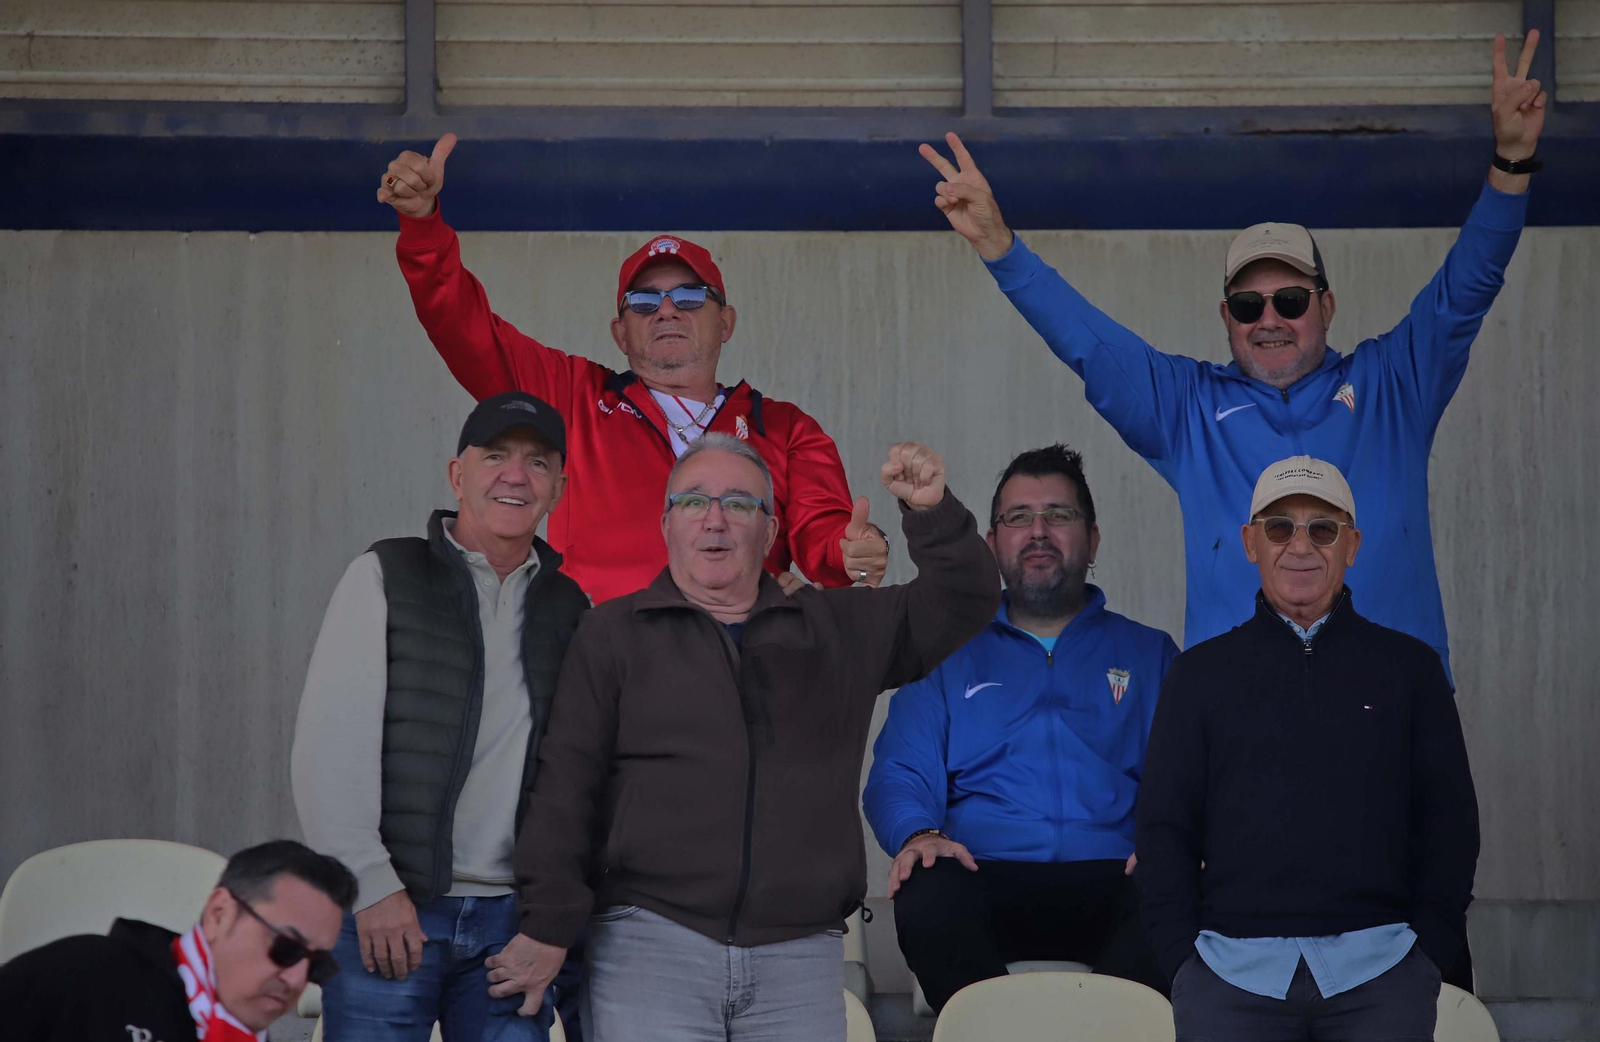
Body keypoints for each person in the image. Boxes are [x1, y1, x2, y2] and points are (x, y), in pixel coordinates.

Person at [920, 32, 1548, 692]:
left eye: (1291, 300)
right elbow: (1089, 343)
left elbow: (1468, 286)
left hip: (1392, 710)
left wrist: (1511, 161)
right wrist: (1000, 247)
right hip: (1241, 718)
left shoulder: (1395, 383)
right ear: (1226, 319)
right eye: (1248, 305)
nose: (1269, 320)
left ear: (1327, 306)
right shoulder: (1188, 408)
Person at [475, 434, 999, 1041]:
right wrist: (548, 924)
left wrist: (931, 513)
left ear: (770, 531)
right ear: (667, 524)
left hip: (798, 957)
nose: (715, 520)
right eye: (694, 501)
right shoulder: (611, 635)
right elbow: (565, 788)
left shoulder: (836, 628)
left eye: (740, 504)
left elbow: (966, 600)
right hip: (649, 947)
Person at [375, 136, 888, 603]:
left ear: (726, 322)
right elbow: (466, 330)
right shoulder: (573, 396)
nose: (666, 311)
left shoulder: (785, 428)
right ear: (620, 334)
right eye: (644, 302)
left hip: (737, 661)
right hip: (603, 659)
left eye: (689, 297)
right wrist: (423, 227)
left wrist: (854, 553)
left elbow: (827, 541)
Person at [1136, 457, 1479, 1040]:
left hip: (1382, 971)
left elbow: (1451, 823)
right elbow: (1163, 829)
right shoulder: (1197, 676)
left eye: (1323, 529)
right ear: (1250, 543)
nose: (1301, 546)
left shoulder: (1411, 670)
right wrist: (1182, 963)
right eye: (1279, 528)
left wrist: (1426, 956)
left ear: (1353, 546)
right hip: (1229, 975)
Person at [291, 391, 591, 1041]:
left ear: (558, 489)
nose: (516, 476)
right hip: (391, 911)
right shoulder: (386, 575)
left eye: (538, 463)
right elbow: (328, 751)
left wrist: (550, 922)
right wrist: (370, 885)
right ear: (459, 475)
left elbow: (579, 781)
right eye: (496, 456)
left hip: (511, 927)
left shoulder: (569, 607)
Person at [863, 444, 1177, 1011]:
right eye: (1018, 517)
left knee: (1178, 886)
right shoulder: (945, 651)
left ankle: (1109, 1030)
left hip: (1116, 874)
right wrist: (918, 834)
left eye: (1058, 515)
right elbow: (900, 771)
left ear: (1093, 540)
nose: (1038, 532)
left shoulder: (1150, 654)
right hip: (982, 873)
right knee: (925, 883)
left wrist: (1175, 840)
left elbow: (1193, 776)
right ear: (991, 543)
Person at [0, 839, 354, 1042]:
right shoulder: (82, 975)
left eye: (317, 967)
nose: (296, 980)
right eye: (286, 948)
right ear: (219, 914)